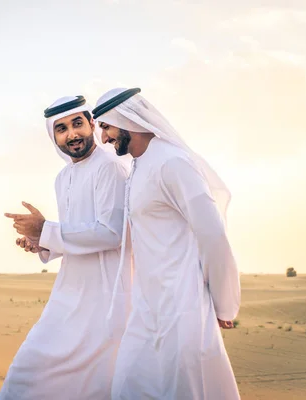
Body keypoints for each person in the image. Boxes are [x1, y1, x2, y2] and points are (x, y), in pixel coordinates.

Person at [93, 88, 241, 399]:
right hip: (146, 307)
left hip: (181, 306)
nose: (103, 138)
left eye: (106, 127)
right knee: (127, 385)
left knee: (186, 390)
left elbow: (212, 235)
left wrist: (224, 302)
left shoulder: (173, 163)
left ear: (126, 119)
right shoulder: (139, 165)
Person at [0, 95, 132, 400]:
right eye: (61, 128)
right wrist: (40, 243)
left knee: (97, 381)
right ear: (53, 136)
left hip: (105, 296)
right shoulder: (63, 178)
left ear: (91, 125)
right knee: (28, 372)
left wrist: (46, 230)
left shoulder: (109, 167)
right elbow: (76, 232)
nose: (71, 134)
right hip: (69, 295)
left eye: (77, 124)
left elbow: (111, 233)